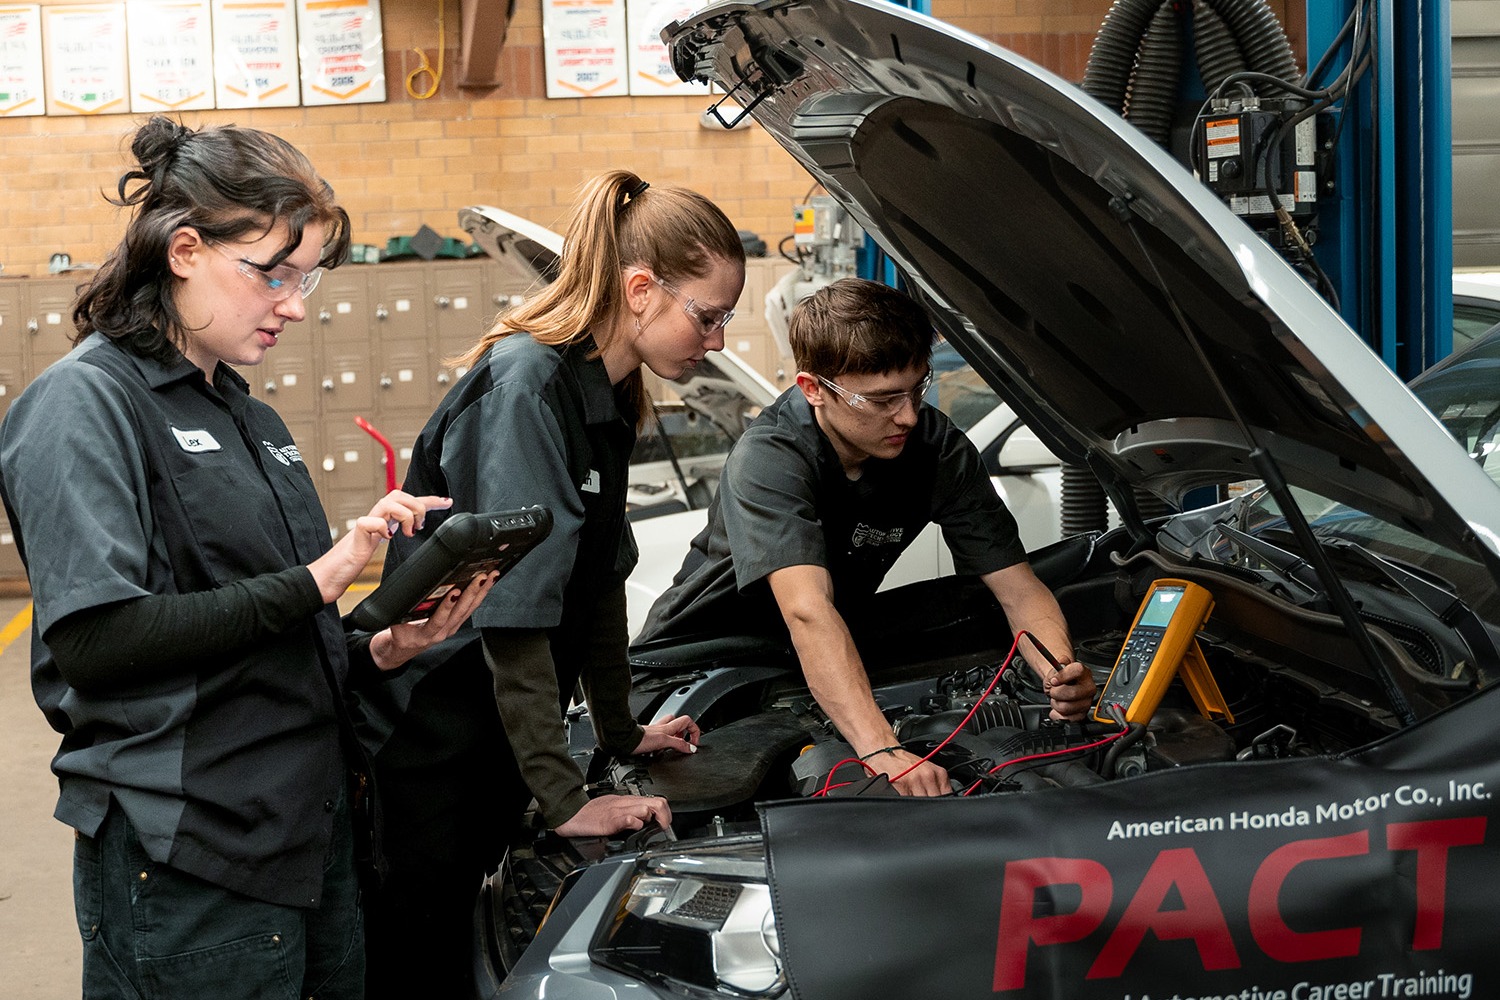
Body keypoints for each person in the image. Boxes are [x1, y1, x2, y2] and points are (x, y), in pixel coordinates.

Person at [0, 116, 495, 1000]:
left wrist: (379, 649)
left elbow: (273, 635)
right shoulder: (85, 404)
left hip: (310, 842)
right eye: (273, 273)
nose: (296, 305)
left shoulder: (249, 417)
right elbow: (98, 640)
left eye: (308, 279)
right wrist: (326, 574)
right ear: (185, 249)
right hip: (193, 862)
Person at [356, 169, 746, 997]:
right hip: (438, 728)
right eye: (707, 316)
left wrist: (619, 729)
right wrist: (564, 798)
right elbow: (515, 612)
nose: (714, 341)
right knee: (425, 956)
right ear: (641, 289)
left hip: (499, 722)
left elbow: (601, 579)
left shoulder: (606, 392)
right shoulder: (528, 384)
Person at [637, 277, 1098, 796]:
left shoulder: (936, 450)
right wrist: (883, 750)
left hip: (821, 652)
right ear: (813, 388)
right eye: (882, 400)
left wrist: (1059, 671)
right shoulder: (770, 457)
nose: (907, 415)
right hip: (698, 665)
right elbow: (808, 611)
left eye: (916, 388)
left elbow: (1016, 587)